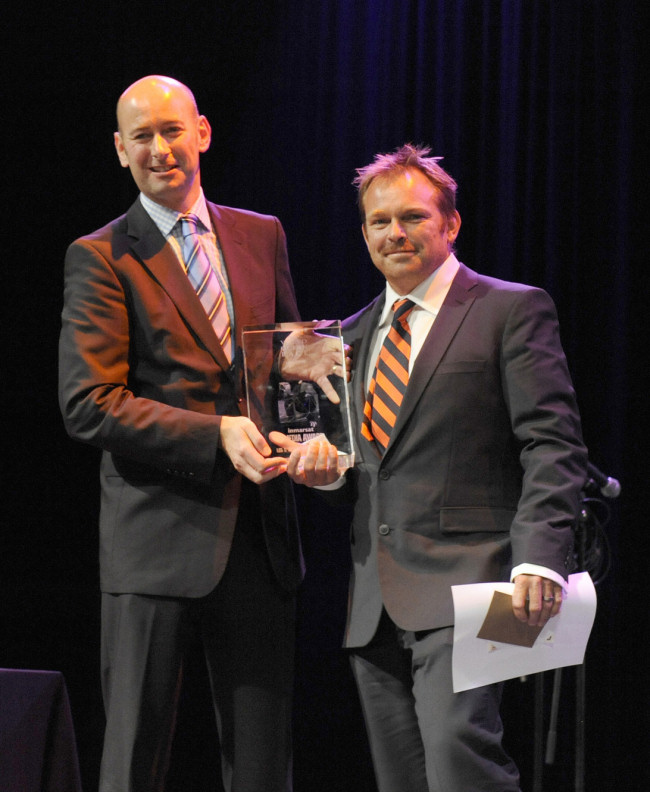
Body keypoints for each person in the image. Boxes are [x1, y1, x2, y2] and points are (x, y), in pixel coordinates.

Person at [58, 75, 341, 792]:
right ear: (120, 151)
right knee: (134, 756)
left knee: (261, 764)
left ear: (203, 132)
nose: (161, 148)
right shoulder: (99, 255)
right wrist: (216, 435)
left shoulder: (260, 233)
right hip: (153, 539)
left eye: (172, 130)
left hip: (258, 534)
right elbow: (89, 404)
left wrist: (316, 430)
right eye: (142, 137)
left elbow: (286, 368)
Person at [277, 144, 588, 791]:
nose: (396, 233)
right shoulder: (347, 337)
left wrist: (539, 558)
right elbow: (360, 470)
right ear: (363, 233)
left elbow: (552, 445)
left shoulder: (510, 310)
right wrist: (323, 470)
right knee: (405, 781)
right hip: (375, 604)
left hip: (479, 584)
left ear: (450, 224)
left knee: (460, 764)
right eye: (381, 221)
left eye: (413, 217)